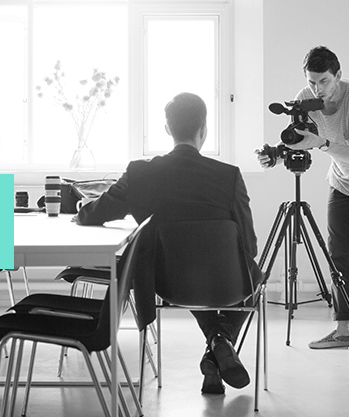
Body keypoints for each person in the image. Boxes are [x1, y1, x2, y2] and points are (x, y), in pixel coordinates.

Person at [77, 92, 261, 394]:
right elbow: (249, 245)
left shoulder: (141, 172)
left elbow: (96, 213)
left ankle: (216, 346)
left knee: (191, 275)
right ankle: (220, 341)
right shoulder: (228, 176)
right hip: (226, 283)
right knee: (254, 276)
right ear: (204, 130)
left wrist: (78, 207)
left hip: (163, 281)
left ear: (167, 129)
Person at [256, 46, 349, 354]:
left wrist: (321, 142)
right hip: (342, 179)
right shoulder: (307, 99)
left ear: (338, 76)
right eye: (311, 81)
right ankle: (344, 327)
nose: (316, 88)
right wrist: (275, 156)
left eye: (323, 81)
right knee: (339, 254)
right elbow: (300, 142)